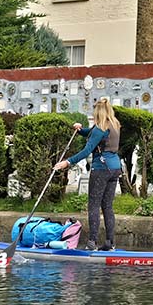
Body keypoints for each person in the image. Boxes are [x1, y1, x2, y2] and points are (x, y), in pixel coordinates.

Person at [53, 97, 122, 251]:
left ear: (97, 113)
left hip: (101, 169)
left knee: (94, 205)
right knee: (107, 206)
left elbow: (87, 150)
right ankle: (110, 243)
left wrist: (67, 162)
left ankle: (92, 243)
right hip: (115, 167)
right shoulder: (115, 125)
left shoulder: (100, 128)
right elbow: (92, 134)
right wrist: (80, 129)